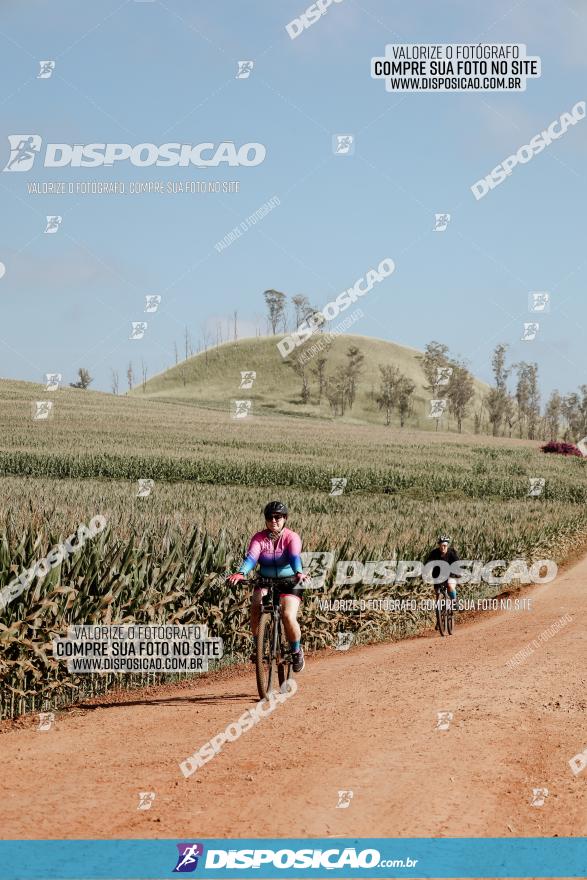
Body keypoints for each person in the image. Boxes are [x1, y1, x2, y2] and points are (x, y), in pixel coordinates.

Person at [227, 501, 309, 672]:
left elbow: (294, 557)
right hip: (265, 579)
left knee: (287, 615)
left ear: (285, 518)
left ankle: (296, 650)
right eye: (270, 517)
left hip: (290, 581)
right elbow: (251, 558)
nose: (274, 520)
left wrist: (299, 572)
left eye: (278, 517)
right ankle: (258, 646)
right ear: (265, 519)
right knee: (256, 606)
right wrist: (241, 573)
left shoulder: (291, 537)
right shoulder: (259, 538)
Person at [425, 535, 459, 629]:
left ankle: (454, 601)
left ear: (447, 545)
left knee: (449, 585)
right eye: (441, 545)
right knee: (437, 597)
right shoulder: (434, 553)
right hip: (437, 576)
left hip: (450, 574)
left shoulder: (452, 553)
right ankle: (439, 621)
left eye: (445, 545)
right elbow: (428, 562)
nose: (443, 547)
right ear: (439, 545)